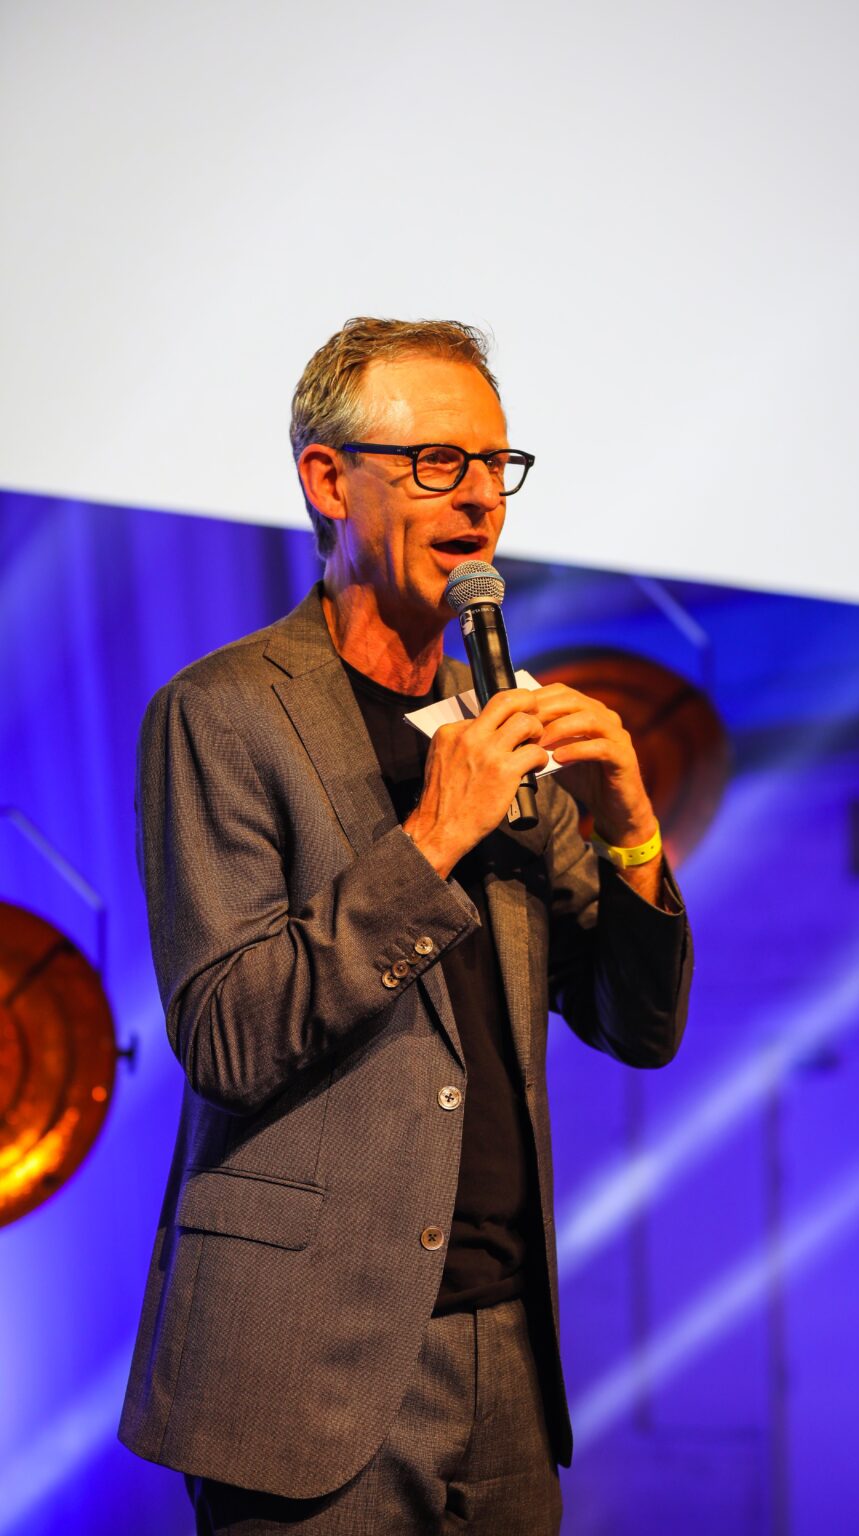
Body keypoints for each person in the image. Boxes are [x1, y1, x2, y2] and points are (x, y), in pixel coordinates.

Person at [119, 318, 694, 1534]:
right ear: (329, 482)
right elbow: (226, 1035)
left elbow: (636, 1026)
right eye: (439, 462)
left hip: (505, 1354)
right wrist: (430, 841)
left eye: (495, 463)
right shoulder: (222, 714)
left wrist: (633, 827)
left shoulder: (494, 719)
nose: (480, 496)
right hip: (305, 1358)